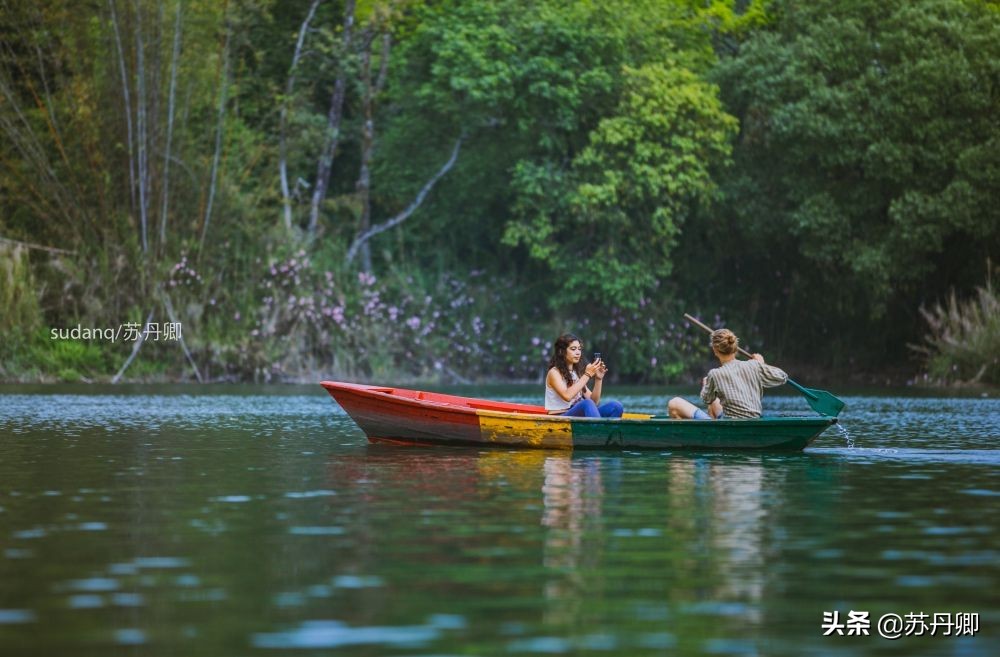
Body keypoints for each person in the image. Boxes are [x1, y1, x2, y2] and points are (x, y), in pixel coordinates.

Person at [668, 328, 787, 420]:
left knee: (674, 403)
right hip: (753, 421)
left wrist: (706, 385)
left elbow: (706, 399)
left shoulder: (714, 374)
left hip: (731, 425)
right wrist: (762, 364)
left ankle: (709, 435)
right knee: (714, 400)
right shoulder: (754, 365)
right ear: (735, 347)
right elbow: (782, 377)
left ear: (715, 350)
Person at [545, 333, 623, 418]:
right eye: (573, 349)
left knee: (616, 406)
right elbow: (567, 396)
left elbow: (594, 402)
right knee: (586, 403)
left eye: (579, 349)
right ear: (561, 351)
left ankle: (602, 426)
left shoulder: (576, 373)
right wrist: (587, 374)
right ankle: (599, 426)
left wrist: (598, 379)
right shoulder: (554, 372)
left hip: (577, 416)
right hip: (560, 416)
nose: (578, 352)